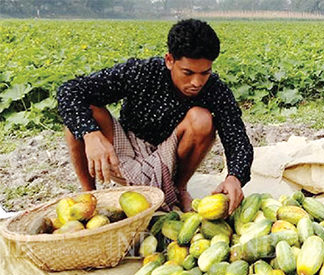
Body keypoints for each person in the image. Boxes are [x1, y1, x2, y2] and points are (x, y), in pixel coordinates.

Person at [57, 19, 253, 213]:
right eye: (187, 72)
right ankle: (89, 197)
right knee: (81, 114)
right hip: (124, 150)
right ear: (169, 60)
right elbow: (68, 91)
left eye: (205, 73)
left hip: (168, 159)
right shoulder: (143, 72)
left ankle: (179, 189)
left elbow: (236, 137)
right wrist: (91, 135)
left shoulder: (215, 89)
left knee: (202, 119)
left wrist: (235, 177)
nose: (197, 81)